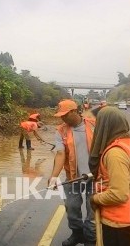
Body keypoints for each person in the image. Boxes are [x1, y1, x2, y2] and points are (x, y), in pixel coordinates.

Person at [48, 99, 96, 246]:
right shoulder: (61, 130)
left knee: (92, 209)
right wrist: (54, 177)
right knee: (71, 207)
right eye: (60, 115)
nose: (62, 118)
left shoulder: (94, 125)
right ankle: (77, 233)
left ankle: (90, 239)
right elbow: (60, 154)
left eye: (65, 115)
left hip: (95, 176)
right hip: (73, 177)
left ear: (74, 111)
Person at [89, 107, 130, 246]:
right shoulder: (127, 145)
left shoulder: (115, 153)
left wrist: (95, 198)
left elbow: (119, 194)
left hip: (119, 223)